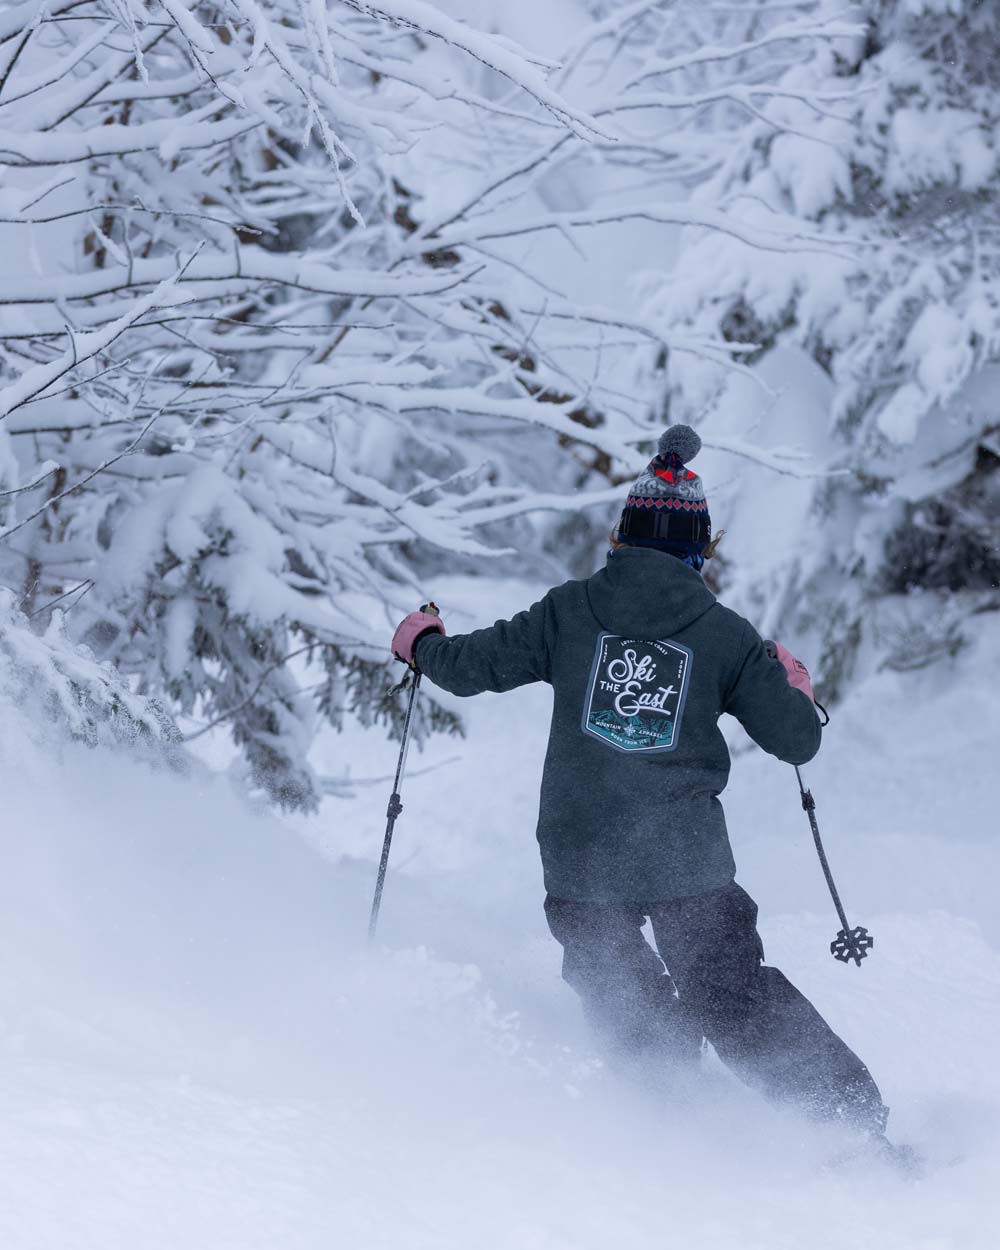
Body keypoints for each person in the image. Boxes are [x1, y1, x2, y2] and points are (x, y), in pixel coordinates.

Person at [390, 425, 894, 1152]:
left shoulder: (567, 611)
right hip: (685, 862)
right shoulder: (725, 635)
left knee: (622, 996)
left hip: (582, 857)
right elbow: (796, 740)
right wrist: (794, 686)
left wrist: (422, 641)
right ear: (700, 548)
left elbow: (470, 668)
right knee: (731, 995)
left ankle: (668, 1135)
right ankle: (851, 1131)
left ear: (622, 536)